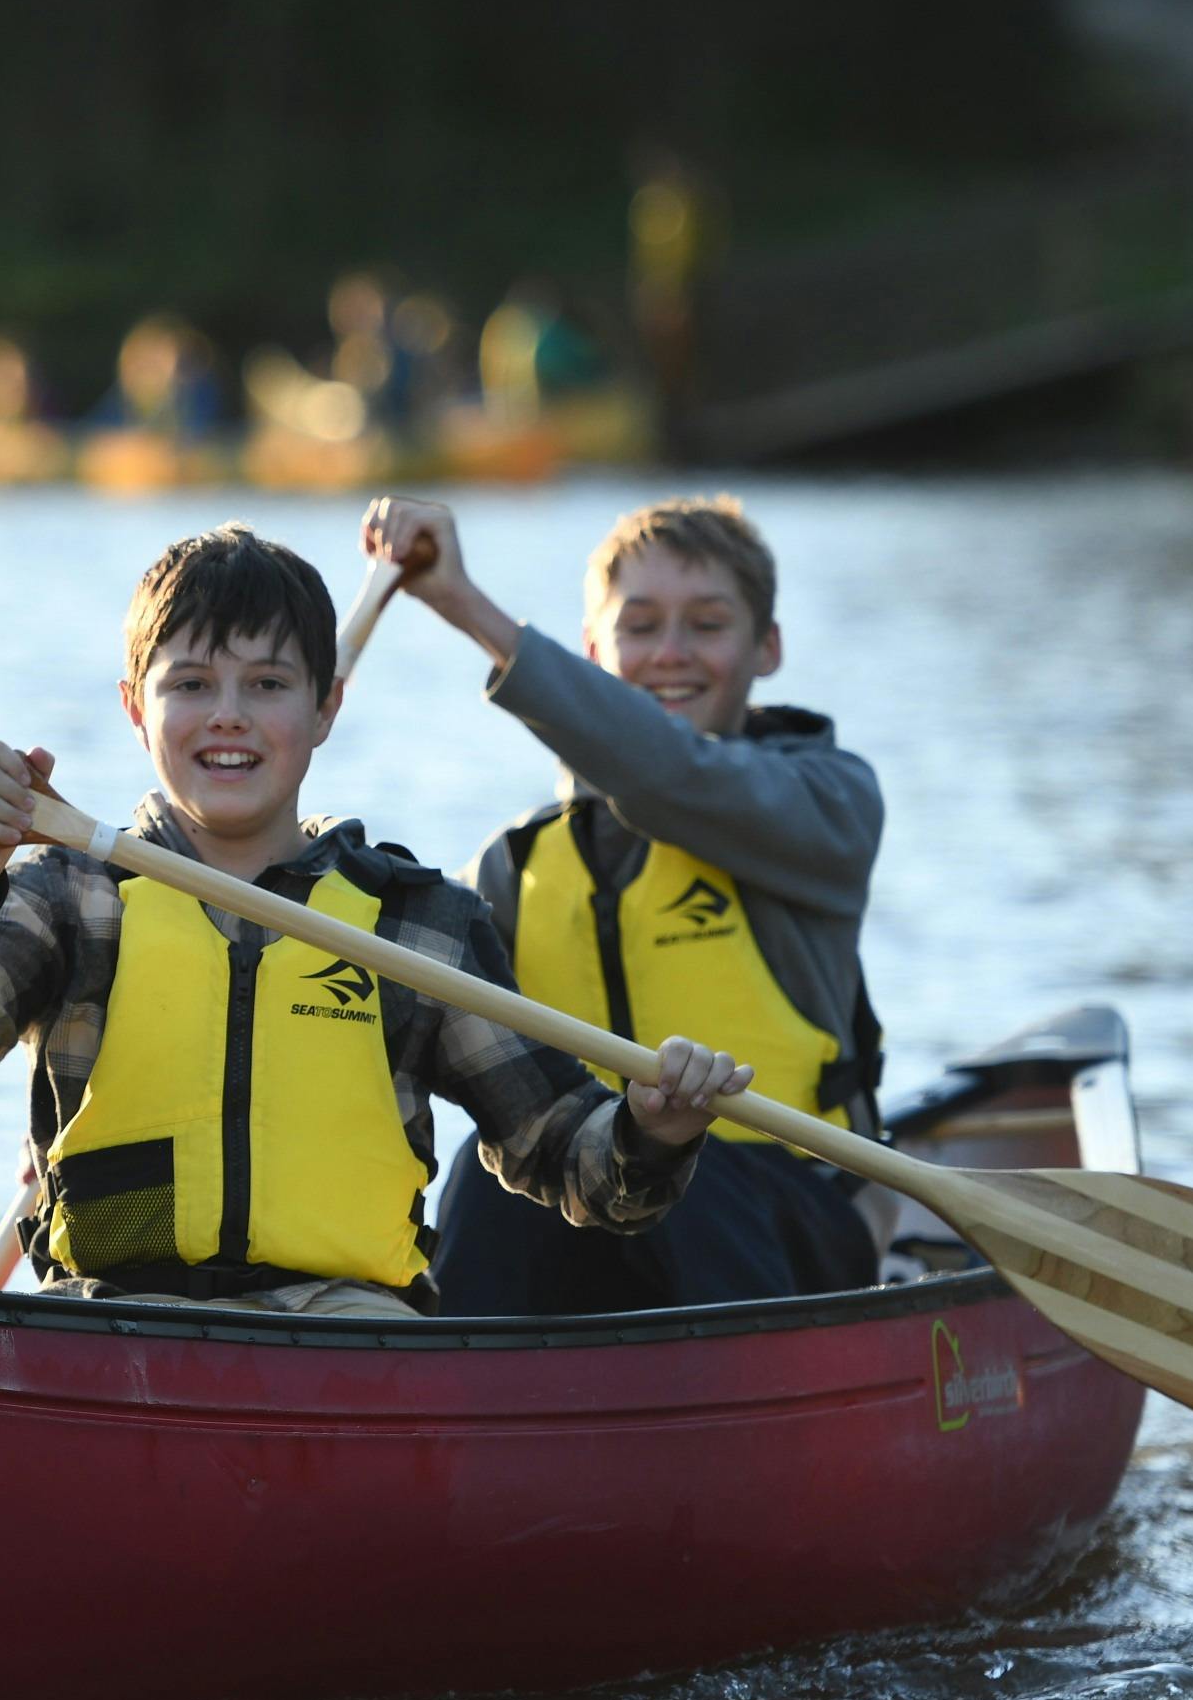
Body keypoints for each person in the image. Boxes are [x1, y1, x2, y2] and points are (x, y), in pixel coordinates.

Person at [0, 524, 750, 1316]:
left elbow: (569, 1156)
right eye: (191, 684)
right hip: (111, 1319)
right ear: (134, 707)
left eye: (268, 684)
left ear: (325, 709)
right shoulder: (63, 895)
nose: (228, 717)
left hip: (348, 1325)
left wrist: (654, 1130)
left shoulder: (414, 921)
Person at [358, 491, 887, 1313]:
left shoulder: (829, 806)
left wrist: (463, 605)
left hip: (789, 1221)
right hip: (592, 1195)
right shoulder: (510, 868)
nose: (670, 654)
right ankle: (453, 1396)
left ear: (768, 648)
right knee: (492, 1173)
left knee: (696, 1181)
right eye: (640, 627)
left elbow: (668, 774)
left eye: (707, 624)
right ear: (591, 649)